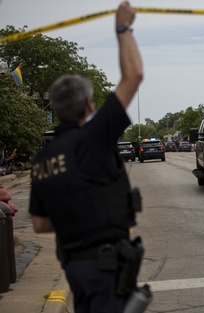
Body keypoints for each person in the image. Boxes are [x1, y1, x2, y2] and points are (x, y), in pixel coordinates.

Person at [28, 2, 144, 313]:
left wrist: (75, 220)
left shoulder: (41, 160)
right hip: (105, 267)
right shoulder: (93, 138)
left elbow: (39, 224)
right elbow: (133, 76)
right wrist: (123, 28)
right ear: (89, 107)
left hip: (74, 268)